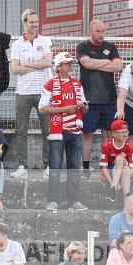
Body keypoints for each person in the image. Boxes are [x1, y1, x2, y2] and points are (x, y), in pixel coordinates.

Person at [40, 52, 89, 211]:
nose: (70, 66)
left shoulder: (77, 84)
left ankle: (73, 201)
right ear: (59, 66)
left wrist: (84, 107)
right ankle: (52, 201)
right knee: (55, 168)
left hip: (75, 131)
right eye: (67, 63)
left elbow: (84, 106)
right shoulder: (49, 84)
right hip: (57, 132)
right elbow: (42, 108)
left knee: (74, 168)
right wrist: (63, 109)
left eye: (71, 63)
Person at [9, 9, 53, 179]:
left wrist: (26, 65)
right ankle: (22, 166)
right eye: (31, 22)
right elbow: (14, 69)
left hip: (44, 93)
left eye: (36, 22)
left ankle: (48, 166)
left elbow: (48, 63)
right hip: (23, 92)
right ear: (24, 23)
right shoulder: (17, 44)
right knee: (21, 131)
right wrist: (38, 64)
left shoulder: (45, 40)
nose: (35, 25)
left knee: (47, 131)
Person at [77, 19, 123, 174]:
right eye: (98, 31)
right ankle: (85, 166)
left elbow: (117, 66)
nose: (102, 34)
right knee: (87, 134)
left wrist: (96, 63)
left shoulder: (111, 47)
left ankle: (107, 165)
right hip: (89, 99)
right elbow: (86, 64)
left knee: (108, 133)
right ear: (91, 30)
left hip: (109, 98)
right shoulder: (83, 46)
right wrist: (105, 62)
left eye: (104, 31)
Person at [99, 119, 133, 195]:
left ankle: (124, 195)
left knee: (125, 166)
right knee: (120, 158)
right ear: (114, 133)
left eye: (126, 131)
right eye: (122, 132)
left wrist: (125, 180)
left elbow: (132, 168)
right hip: (110, 172)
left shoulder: (130, 147)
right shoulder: (106, 145)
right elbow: (104, 167)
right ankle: (114, 186)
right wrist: (111, 182)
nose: (125, 134)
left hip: (124, 173)